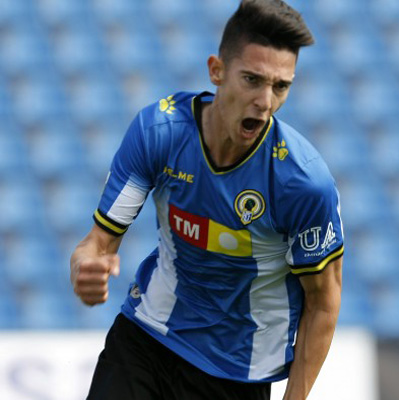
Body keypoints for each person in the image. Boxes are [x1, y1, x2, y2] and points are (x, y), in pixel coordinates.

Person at [70, 1, 344, 399]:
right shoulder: (159, 133)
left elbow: (323, 302)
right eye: (252, 79)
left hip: (236, 375)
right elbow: (96, 244)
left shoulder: (303, 182)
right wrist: (85, 267)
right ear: (216, 70)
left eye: (280, 86)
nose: (265, 102)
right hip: (148, 340)